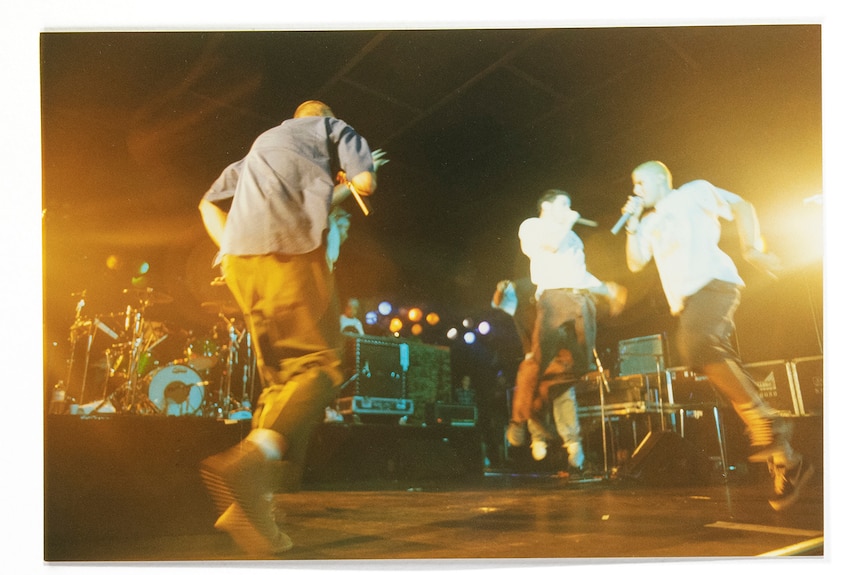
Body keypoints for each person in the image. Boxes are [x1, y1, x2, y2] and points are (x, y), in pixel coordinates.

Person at [197, 99, 385, 555]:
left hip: (240, 262)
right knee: (320, 366)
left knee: (280, 381)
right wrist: (357, 173)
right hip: (290, 252)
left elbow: (208, 202)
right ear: (321, 117)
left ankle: (251, 507)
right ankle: (249, 464)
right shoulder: (333, 128)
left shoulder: (260, 146)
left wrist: (232, 245)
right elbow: (365, 182)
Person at [620, 160, 812, 511]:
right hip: (689, 303)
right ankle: (788, 460)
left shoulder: (693, 192)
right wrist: (632, 224)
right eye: (633, 184)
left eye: (640, 182)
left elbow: (742, 205)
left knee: (694, 345)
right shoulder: (648, 222)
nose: (636, 189)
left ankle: (771, 425)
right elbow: (635, 262)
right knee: (711, 364)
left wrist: (752, 247)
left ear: (660, 179)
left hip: (715, 285)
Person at [505, 190, 627, 470]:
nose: (569, 209)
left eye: (570, 205)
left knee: (580, 364)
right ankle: (519, 420)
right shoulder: (533, 226)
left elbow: (579, 273)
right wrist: (566, 223)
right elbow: (550, 246)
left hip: (581, 299)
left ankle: (532, 405)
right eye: (563, 204)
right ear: (545, 206)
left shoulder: (572, 236)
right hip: (555, 299)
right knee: (538, 360)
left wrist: (606, 288)